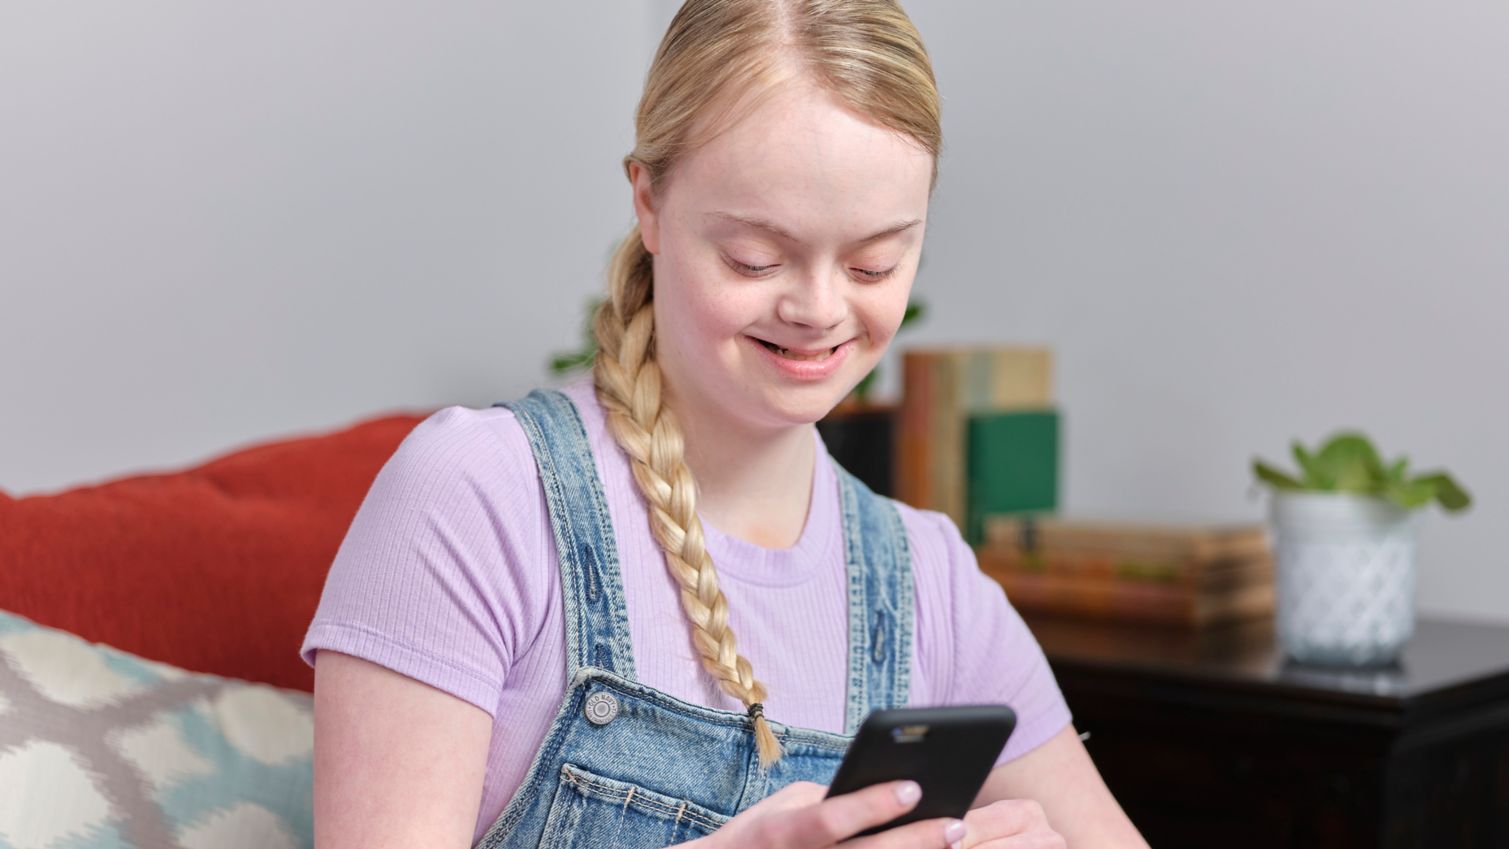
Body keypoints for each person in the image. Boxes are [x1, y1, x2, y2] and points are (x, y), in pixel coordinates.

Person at [301, 1, 1149, 847]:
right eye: (756, 257)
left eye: (874, 262)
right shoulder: (476, 495)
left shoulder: (931, 587)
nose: (819, 309)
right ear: (648, 201)